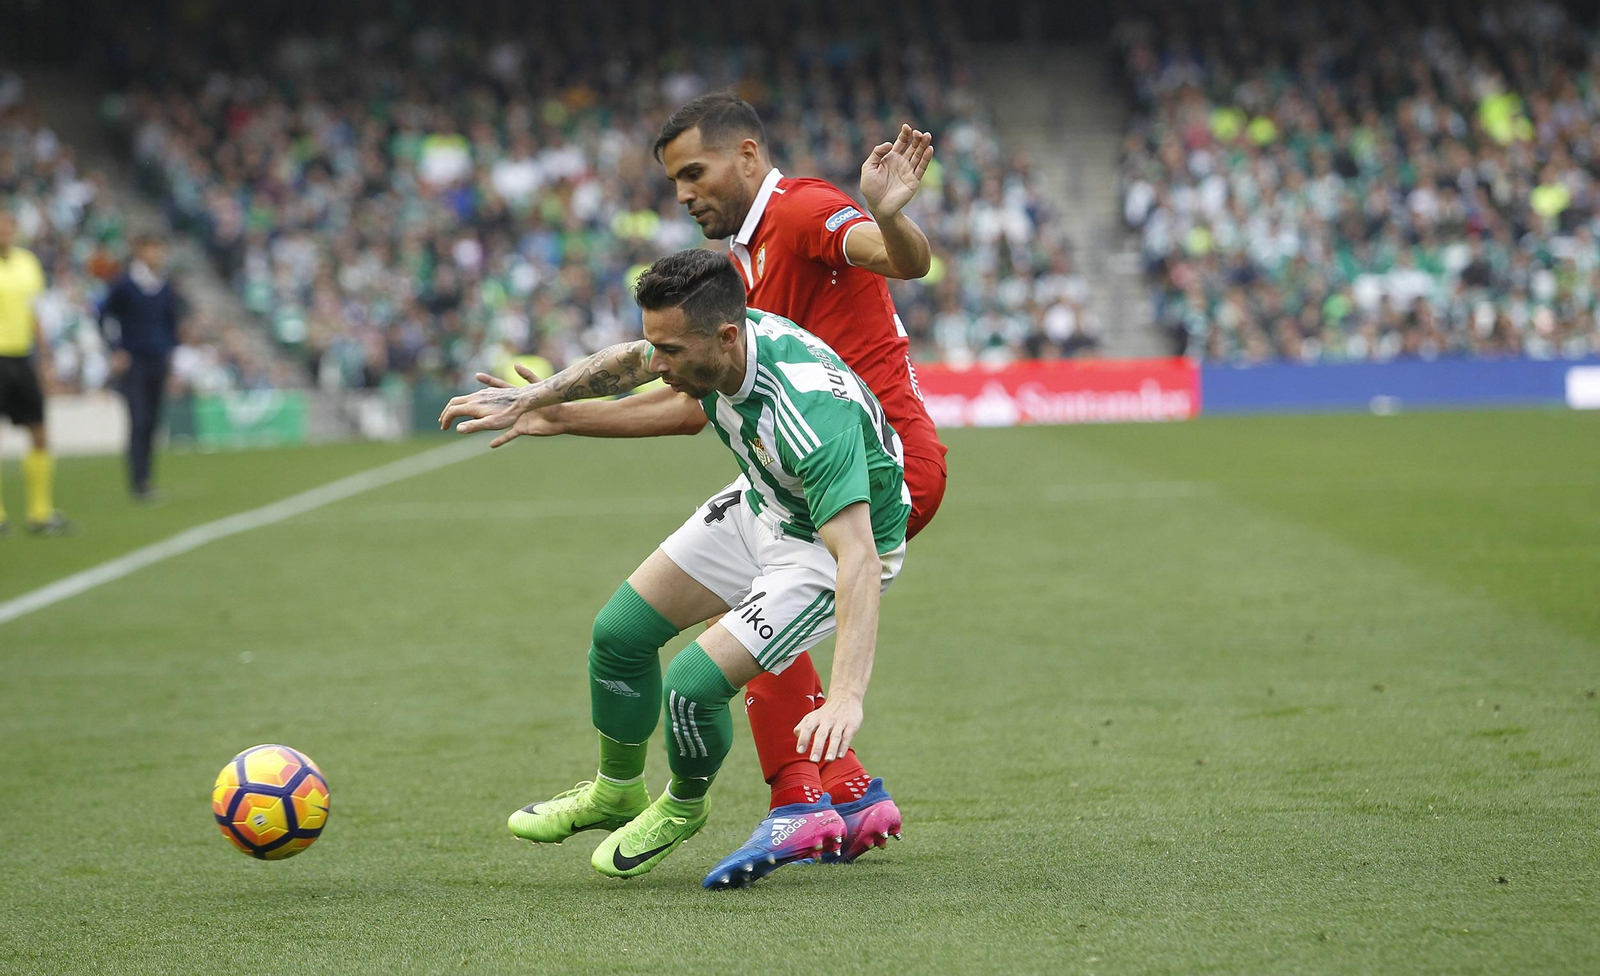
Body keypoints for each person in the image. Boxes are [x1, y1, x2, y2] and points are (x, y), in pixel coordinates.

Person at [494, 93, 947, 877]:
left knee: (759, 632)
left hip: (879, 464)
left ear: (745, 155)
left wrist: (892, 214)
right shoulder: (736, 268)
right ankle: (843, 790)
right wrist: (558, 408)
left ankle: (799, 807)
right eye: (673, 181)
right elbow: (683, 400)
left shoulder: (803, 212)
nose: (683, 194)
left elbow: (902, 260)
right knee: (664, 629)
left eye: (694, 173)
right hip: (789, 475)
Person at [439, 249, 911, 888]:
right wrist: (543, 402)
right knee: (619, 635)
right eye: (654, 344)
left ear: (723, 337)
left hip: (826, 550)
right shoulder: (718, 348)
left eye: (671, 352)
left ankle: (683, 805)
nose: (657, 366)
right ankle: (616, 792)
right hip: (764, 502)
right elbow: (628, 364)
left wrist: (848, 697)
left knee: (691, 684)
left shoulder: (807, 414)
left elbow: (854, 555)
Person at [99, 234, 183, 500]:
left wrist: (171, 356)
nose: (156, 254)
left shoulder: (164, 285)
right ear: (140, 251)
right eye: (151, 248)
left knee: (153, 423)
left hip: (158, 360)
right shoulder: (124, 285)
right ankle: (138, 481)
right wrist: (116, 349)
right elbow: (103, 314)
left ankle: (146, 478)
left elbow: (171, 324)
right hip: (134, 362)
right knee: (139, 419)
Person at [0, 211, 68, 535]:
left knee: (39, 432)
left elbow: (35, 311)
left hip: (21, 357)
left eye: (7, 225)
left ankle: (39, 513)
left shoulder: (27, 263)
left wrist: (45, 356)